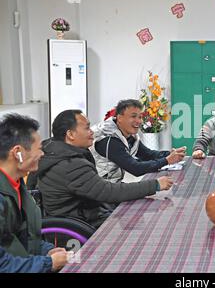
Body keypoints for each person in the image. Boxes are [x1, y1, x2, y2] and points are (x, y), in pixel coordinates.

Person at [27, 110, 174, 228]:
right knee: (138, 222)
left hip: (86, 210)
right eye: (86, 128)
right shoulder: (70, 164)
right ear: (70, 135)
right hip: (81, 221)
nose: (91, 131)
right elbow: (108, 192)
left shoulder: (54, 151)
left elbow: (147, 155)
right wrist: (155, 184)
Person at [0, 113, 69, 272]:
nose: (42, 154)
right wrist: (48, 263)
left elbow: (21, 238)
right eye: (39, 148)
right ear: (18, 152)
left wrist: (47, 251)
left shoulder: (17, 186)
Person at [92, 99, 185, 183]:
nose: (139, 121)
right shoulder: (109, 139)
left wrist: (170, 154)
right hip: (100, 190)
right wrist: (166, 160)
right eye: (133, 116)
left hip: (113, 184)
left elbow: (147, 154)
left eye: (140, 117)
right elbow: (135, 168)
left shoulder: (129, 135)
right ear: (119, 118)